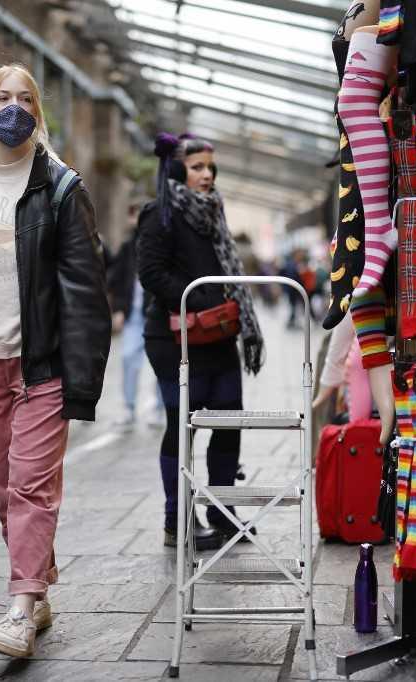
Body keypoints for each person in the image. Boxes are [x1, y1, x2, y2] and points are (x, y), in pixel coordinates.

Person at [0, 63, 110, 659]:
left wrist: (82, 383)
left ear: (39, 109)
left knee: (32, 487)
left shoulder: (60, 188)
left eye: (24, 97)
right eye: (1, 97)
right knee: (4, 488)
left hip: (43, 365)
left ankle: (19, 610)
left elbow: (86, 293)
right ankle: (38, 588)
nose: (12, 107)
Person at [137, 132, 265, 552]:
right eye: (197, 167)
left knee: (229, 422)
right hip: (174, 339)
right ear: (177, 170)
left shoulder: (213, 213)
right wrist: (204, 295)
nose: (207, 175)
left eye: (210, 167)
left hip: (219, 336)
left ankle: (222, 513)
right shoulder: (160, 214)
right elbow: (152, 275)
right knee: (182, 425)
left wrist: (224, 307)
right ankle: (177, 520)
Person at [108, 205, 164, 431]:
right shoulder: (127, 246)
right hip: (133, 316)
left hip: (156, 314)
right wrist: (118, 310)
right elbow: (117, 279)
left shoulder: (161, 244)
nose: (135, 220)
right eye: (132, 215)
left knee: (161, 363)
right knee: (128, 359)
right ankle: (129, 408)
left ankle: (160, 409)